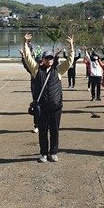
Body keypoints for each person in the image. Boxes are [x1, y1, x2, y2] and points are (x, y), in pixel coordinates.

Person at [23, 32, 74, 163]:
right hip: (42, 107)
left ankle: (54, 152)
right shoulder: (36, 70)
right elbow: (28, 58)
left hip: (56, 106)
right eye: (47, 58)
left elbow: (70, 61)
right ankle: (44, 153)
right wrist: (25, 44)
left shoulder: (58, 70)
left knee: (55, 131)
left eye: (51, 58)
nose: (49, 60)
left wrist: (71, 47)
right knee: (42, 132)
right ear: (43, 59)